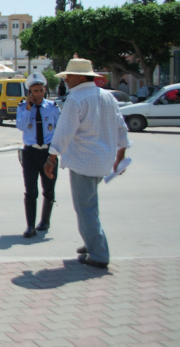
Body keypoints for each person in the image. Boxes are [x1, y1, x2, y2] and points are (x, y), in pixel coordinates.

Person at [44, 58, 131, 270]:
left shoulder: (76, 98)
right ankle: (90, 242)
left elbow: (64, 132)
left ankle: (99, 254)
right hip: (102, 159)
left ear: (81, 77)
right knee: (90, 205)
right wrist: (120, 156)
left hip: (83, 161)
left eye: (69, 75)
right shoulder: (107, 96)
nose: (66, 79)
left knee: (86, 209)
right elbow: (121, 127)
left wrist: (51, 159)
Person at [16, 73, 60, 237]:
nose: (39, 94)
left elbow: (59, 129)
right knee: (31, 190)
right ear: (30, 92)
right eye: (35, 91)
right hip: (30, 152)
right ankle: (30, 226)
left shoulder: (53, 107)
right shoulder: (22, 107)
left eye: (41, 90)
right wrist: (28, 109)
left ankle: (45, 221)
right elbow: (21, 126)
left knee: (49, 188)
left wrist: (56, 151)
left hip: (49, 152)